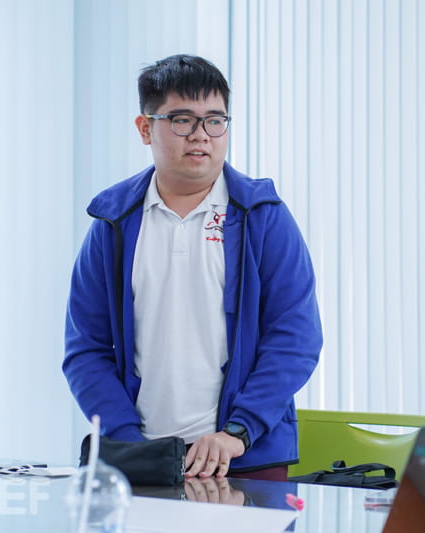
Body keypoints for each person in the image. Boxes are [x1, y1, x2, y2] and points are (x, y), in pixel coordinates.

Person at [63, 54, 322, 481]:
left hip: (244, 455)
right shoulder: (113, 221)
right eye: (182, 120)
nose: (201, 135)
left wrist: (238, 432)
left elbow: (296, 336)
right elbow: (85, 348)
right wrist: (126, 438)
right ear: (145, 128)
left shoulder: (262, 215)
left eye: (215, 120)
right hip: (142, 458)